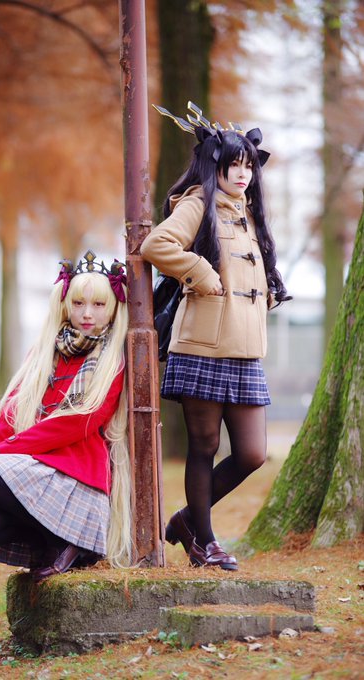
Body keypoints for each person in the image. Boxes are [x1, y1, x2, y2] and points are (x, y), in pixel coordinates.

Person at [141, 102, 291, 571]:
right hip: (201, 347)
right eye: (234, 165)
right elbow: (155, 245)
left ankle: (188, 521)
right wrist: (201, 272)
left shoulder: (250, 214)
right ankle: (204, 542)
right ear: (216, 166)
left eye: (248, 166)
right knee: (204, 447)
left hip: (245, 352)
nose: (243, 174)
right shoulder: (197, 204)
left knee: (252, 453)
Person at [0, 251, 131, 581]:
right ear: (65, 305)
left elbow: (78, 422)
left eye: (98, 304)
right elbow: (11, 410)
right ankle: (55, 541)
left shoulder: (113, 359)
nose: (87, 313)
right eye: (78, 303)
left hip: (76, 473)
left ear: (113, 308)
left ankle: (70, 541)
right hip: (33, 469)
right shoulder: (45, 351)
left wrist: (3, 453)